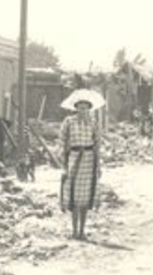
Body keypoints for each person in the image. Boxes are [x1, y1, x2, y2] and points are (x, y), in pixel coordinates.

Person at [59, 92, 104, 240]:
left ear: (89, 109)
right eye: (80, 107)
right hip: (74, 158)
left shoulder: (93, 123)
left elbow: (97, 144)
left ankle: (82, 231)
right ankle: (74, 231)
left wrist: (98, 165)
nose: (83, 110)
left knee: (85, 198)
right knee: (73, 196)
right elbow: (62, 141)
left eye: (86, 108)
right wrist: (64, 163)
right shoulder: (68, 121)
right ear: (76, 108)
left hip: (89, 160)